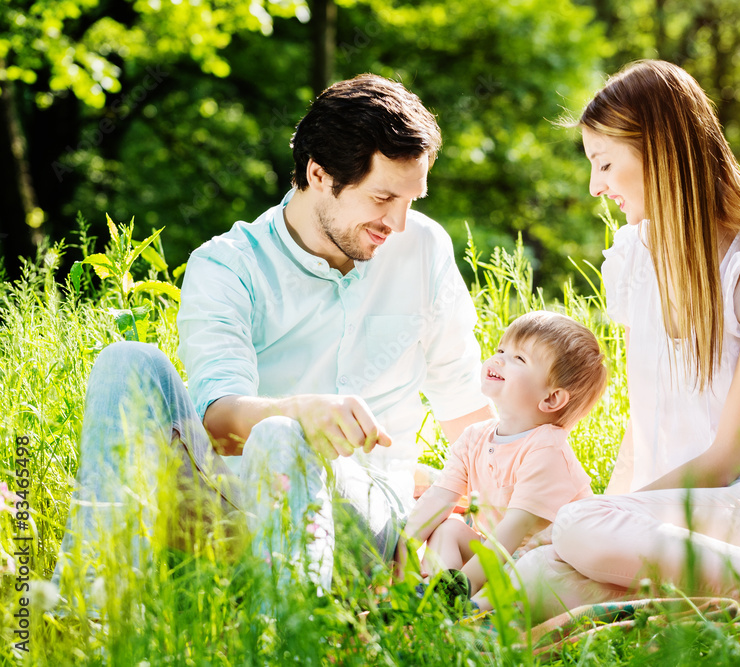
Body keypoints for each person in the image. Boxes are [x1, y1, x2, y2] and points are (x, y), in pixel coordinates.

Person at [52, 74, 494, 603]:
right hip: (231, 502)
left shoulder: (424, 247)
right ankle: (90, 607)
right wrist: (298, 410)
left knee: (285, 439)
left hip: (365, 519)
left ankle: (292, 636)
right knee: (129, 362)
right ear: (319, 174)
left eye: (411, 200)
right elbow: (215, 416)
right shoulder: (228, 265)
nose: (398, 223)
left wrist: (501, 523)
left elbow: (467, 407)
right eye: (383, 198)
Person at [505, 60, 740, 621]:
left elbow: (728, 458)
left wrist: (602, 517)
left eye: (605, 163)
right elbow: (643, 425)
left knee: (578, 528)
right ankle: (723, 604)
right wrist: (612, 515)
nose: (595, 186)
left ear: (660, 152)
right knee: (530, 578)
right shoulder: (632, 259)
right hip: (678, 518)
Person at [395, 311, 606, 598]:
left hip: (549, 563)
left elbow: (513, 530)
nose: (498, 360)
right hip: (499, 556)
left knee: (532, 574)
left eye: (519, 359)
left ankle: (453, 596)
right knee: (449, 529)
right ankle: (434, 591)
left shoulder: (546, 449)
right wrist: (402, 551)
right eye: (501, 350)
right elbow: (440, 497)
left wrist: (466, 582)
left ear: (551, 398)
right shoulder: (475, 437)